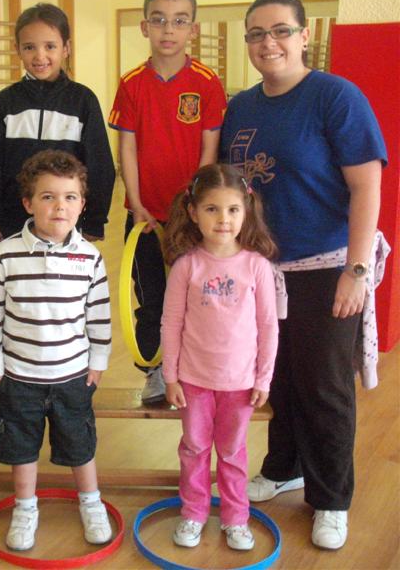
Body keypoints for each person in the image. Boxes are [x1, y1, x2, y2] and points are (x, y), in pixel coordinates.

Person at [220, 0, 387, 550]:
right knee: (278, 378)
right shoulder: (241, 106)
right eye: (256, 34)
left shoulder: (336, 97)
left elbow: (367, 187)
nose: (269, 43)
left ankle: (331, 497)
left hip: (328, 263)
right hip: (262, 270)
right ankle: (284, 465)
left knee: (323, 386)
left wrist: (357, 271)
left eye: (281, 31)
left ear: (304, 34)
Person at [0, 150, 113, 551]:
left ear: (83, 205)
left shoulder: (89, 257)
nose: (60, 206)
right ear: (28, 203)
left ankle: (91, 503)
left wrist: (98, 362)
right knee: (22, 446)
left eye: (70, 197)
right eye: (48, 196)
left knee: (79, 442)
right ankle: (25, 507)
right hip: (19, 376)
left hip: (72, 375)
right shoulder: (6, 254)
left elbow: (99, 317)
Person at [108, 0, 227, 404]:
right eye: (158, 20)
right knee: (150, 296)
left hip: (192, 216)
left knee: (197, 295)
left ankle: (195, 368)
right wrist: (137, 205)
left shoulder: (208, 83)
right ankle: (153, 370)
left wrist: (194, 207)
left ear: (193, 30)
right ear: (144, 27)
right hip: (144, 215)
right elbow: (127, 149)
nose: (168, 30)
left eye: (179, 21)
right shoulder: (132, 83)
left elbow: (209, 151)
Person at [160, 164, 279, 551]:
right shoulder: (186, 265)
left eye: (232, 210)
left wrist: (263, 379)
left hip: (240, 383)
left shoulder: (257, 267)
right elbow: (171, 323)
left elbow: (268, 328)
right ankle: (193, 512)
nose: (223, 219)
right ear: (193, 212)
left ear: (246, 211)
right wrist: (171, 376)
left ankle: (235, 517)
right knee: (194, 448)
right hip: (194, 380)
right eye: (212, 209)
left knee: (232, 451)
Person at [0, 3, 115, 244]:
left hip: (67, 221)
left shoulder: (83, 100)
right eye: (29, 47)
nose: (40, 56)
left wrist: (94, 219)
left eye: (50, 46)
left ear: (66, 48)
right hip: (14, 222)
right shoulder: (5, 102)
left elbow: (100, 165)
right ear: (17, 49)